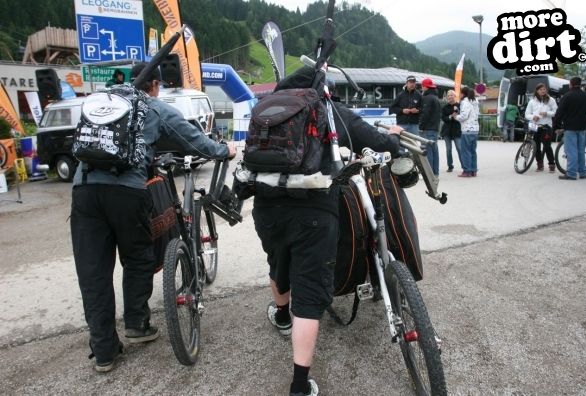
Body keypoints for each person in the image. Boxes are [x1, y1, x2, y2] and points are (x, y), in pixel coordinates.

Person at [70, 63, 236, 373]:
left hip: (84, 189)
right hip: (127, 193)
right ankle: (137, 324)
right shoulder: (152, 107)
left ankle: (104, 350)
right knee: (138, 258)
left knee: (93, 271)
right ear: (155, 84)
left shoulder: (105, 100)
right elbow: (192, 139)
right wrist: (223, 150)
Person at [254, 66, 402, 396]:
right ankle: (298, 385)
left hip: (266, 206)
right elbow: (374, 140)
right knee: (308, 295)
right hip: (314, 209)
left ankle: (280, 315)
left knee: (278, 262)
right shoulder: (330, 108)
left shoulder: (268, 108)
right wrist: (393, 139)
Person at [554, 76, 586, 180]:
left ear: (571, 84)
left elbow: (559, 112)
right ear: (580, 84)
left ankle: (571, 173)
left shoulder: (567, 96)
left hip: (570, 127)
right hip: (582, 127)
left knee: (571, 150)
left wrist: (556, 125)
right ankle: (583, 172)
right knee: (580, 150)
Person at [525, 83, 558, 172]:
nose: (543, 91)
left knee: (547, 145)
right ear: (537, 91)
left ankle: (551, 164)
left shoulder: (551, 100)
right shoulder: (532, 101)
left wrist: (547, 113)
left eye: (544, 89)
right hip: (534, 125)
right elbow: (527, 114)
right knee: (536, 146)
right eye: (541, 89)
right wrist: (533, 117)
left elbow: (555, 111)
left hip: (546, 125)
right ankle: (539, 164)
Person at [454, 86, 479, 177]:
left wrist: (456, 116)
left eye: (460, 93)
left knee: (465, 151)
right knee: (473, 151)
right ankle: (473, 170)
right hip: (475, 129)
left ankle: (467, 170)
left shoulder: (465, 102)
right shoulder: (475, 102)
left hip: (467, 129)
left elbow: (464, 116)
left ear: (463, 94)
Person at [418, 78, 441, 176]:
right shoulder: (436, 98)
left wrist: (421, 126)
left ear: (425, 87)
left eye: (422, 86)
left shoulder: (427, 98)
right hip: (435, 128)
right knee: (435, 150)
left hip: (427, 128)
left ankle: (429, 173)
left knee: (428, 151)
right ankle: (435, 172)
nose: (421, 88)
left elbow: (425, 114)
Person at [441, 90, 463, 172]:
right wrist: (450, 116)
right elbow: (443, 118)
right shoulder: (444, 107)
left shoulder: (459, 105)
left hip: (456, 130)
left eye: (451, 95)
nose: (450, 97)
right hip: (447, 131)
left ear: (455, 96)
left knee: (459, 148)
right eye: (448, 95)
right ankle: (450, 166)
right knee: (448, 149)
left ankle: (464, 165)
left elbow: (462, 116)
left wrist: (456, 116)